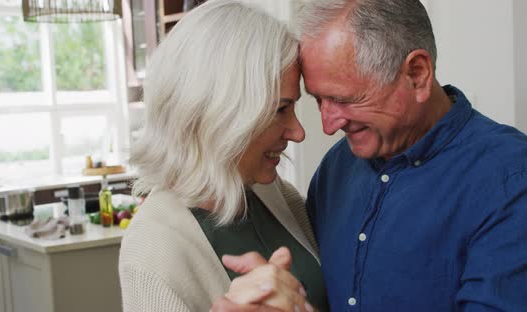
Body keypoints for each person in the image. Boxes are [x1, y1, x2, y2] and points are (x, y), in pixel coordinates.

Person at [213, 0, 527, 311]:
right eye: (318, 100)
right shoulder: (337, 167)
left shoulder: (510, 180)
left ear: (417, 74)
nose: (327, 125)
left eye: (343, 99)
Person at [118, 1, 329, 311]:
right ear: (221, 114)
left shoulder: (274, 194)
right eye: (281, 110)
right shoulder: (152, 249)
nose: (298, 132)